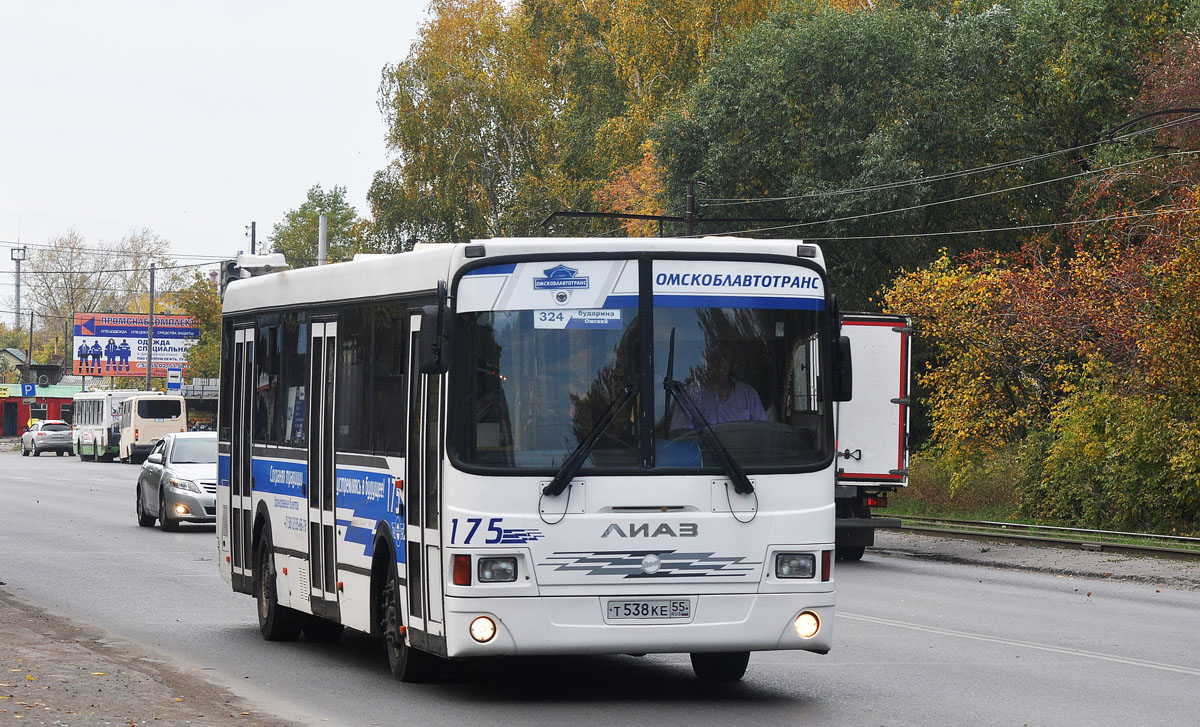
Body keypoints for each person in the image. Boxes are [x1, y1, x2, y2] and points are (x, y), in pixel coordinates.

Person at [669, 345, 766, 432]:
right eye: (716, 358)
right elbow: (681, 436)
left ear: (731, 363)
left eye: (725, 358)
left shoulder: (748, 394)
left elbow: (762, 434)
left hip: (740, 451)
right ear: (708, 360)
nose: (720, 363)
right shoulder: (691, 394)